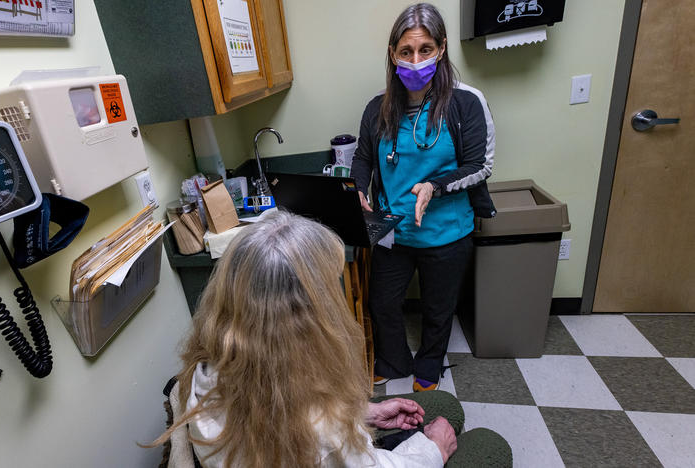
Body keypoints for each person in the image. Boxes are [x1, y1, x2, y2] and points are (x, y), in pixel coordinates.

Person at [151, 211, 458, 467]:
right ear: (309, 320)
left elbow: (279, 404)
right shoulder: (323, 433)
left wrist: (364, 413)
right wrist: (432, 449)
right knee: (455, 419)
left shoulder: (204, 373)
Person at [351, 3, 496, 392]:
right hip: (392, 231)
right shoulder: (377, 109)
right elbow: (363, 157)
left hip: (446, 233)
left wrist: (434, 185)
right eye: (405, 52)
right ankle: (393, 360)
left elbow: (480, 166)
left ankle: (429, 364)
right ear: (393, 54)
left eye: (425, 50)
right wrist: (358, 190)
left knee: (437, 309)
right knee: (382, 303)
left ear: (442, 48)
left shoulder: (466, 103)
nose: (415, 61)